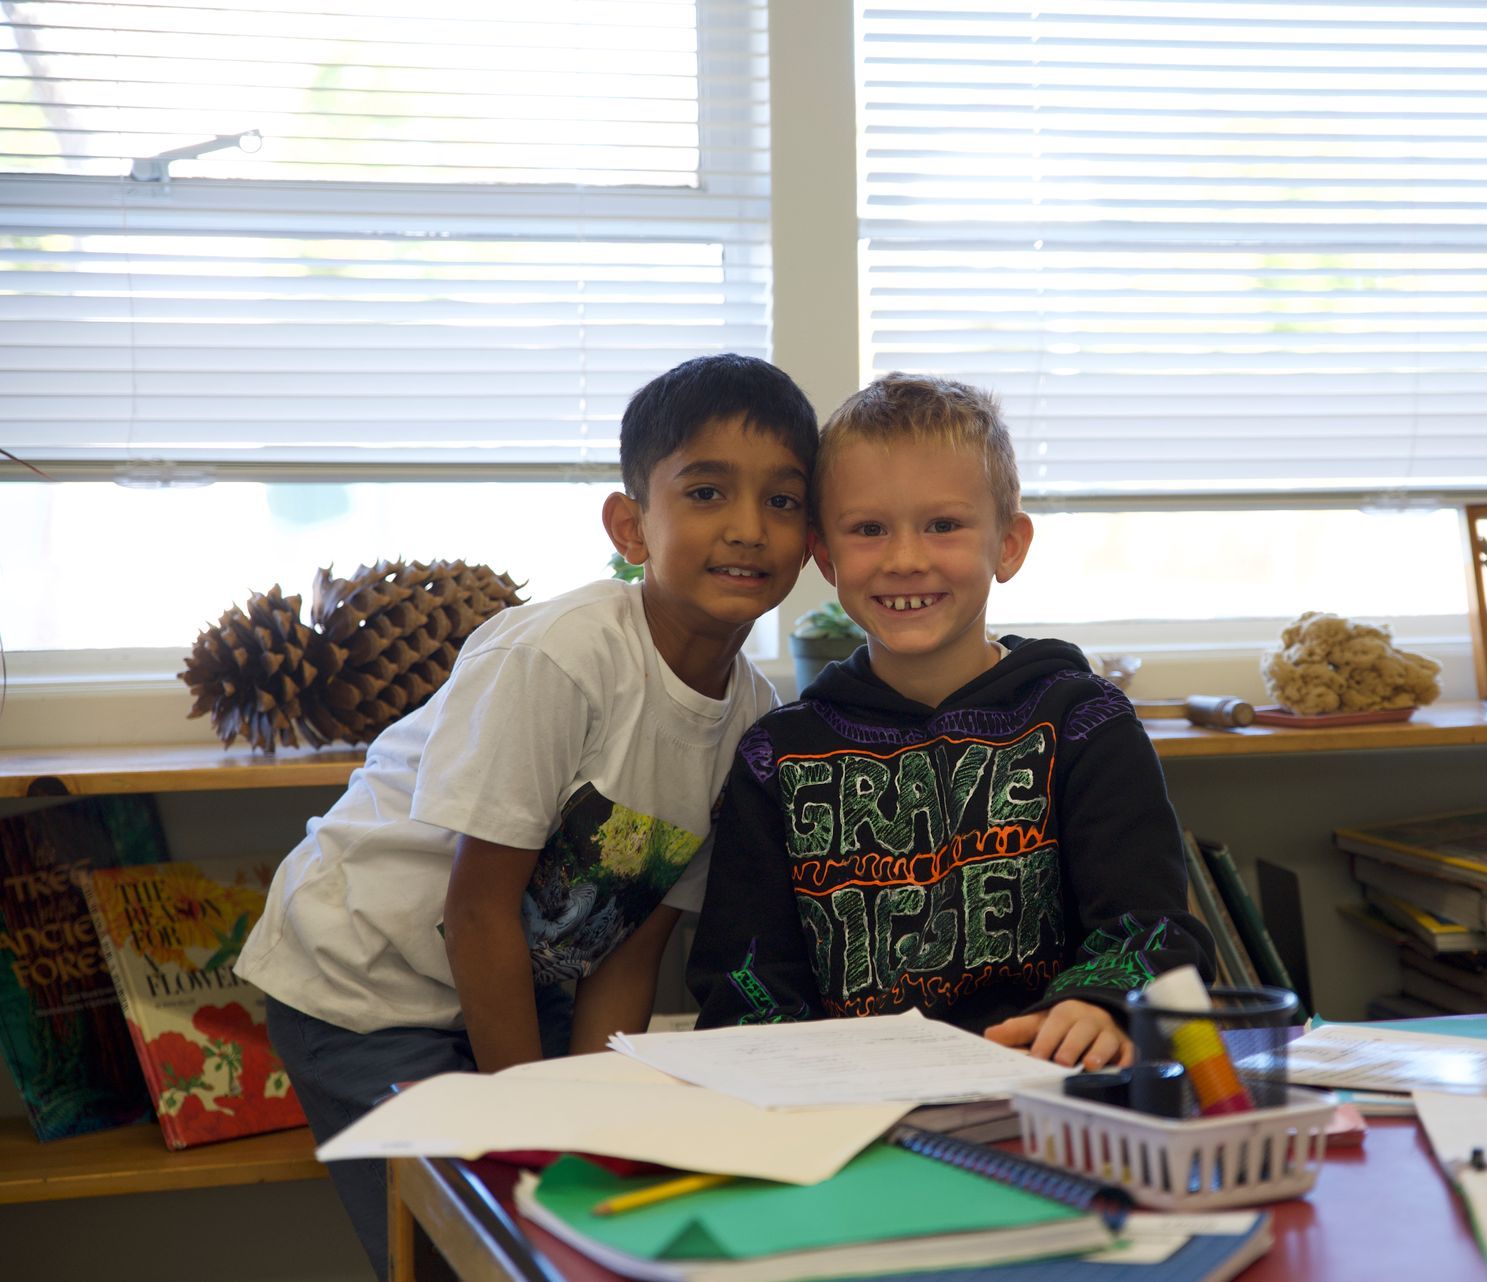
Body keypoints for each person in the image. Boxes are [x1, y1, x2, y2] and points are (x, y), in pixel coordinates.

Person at [235, 353, 817, 1278]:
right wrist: (531, 1124)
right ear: (631, 524)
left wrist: (577, 1115)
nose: (747, 529)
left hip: (511, 987)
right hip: (364, 987)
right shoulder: (564, 656)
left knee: (587, 1219)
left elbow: (635, 942)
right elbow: (475, 909)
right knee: (470, 1242)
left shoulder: (749, 720)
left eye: (784, 501)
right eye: (706, 492)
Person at [687, 373, 1212, 1073]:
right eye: (869, 529)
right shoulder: (776, 758)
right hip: (850, 1110)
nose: (906, 559)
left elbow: (1150, 929)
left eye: (944, 525)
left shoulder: (1084, 722)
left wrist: (1100, 1004)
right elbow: (744, 974)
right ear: (825, 556)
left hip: (1045, 1088)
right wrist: (786, 1062)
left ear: (1009, 545)